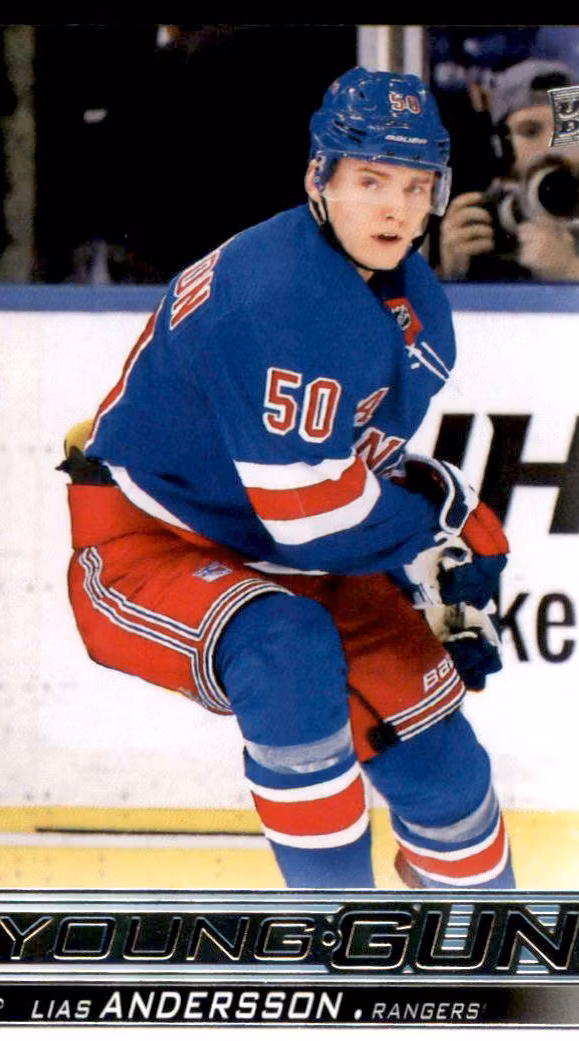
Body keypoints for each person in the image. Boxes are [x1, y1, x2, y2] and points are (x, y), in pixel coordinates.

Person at [60, 66, 515, 890]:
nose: (396, 209)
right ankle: (332, 933)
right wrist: (437, 522)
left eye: (416, 186)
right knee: (285, 651)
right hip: (150, 541)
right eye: (371, 180)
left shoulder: (412, 303)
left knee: (443, 768)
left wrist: (440, 541)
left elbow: (349, 473)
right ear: (319, 178)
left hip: (285, 548)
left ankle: (485, 940)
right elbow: (314, 520)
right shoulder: (278, 295)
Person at [438, 59, 579, 283]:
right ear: (502, 148)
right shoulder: (480, 222)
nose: (551, 147)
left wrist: (574, 269)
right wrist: (451, 272)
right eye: (530, 131)